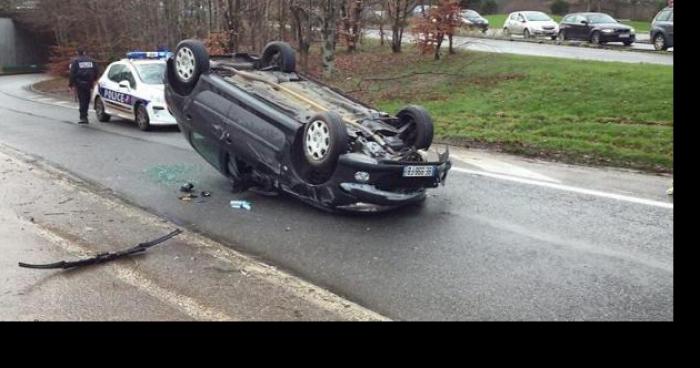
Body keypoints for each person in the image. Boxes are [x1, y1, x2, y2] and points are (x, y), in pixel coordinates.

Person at [68, 48, 100, 124]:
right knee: (87, 99)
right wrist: (94, 80)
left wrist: (70, 85)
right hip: (89, 83)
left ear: (77, 53)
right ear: (85, 52)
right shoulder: (91, 61)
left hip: (79, 83)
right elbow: (96, 70)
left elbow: (72, 73)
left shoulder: (75, 61)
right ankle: (84, 115)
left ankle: (83, 117)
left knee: (82, 100)